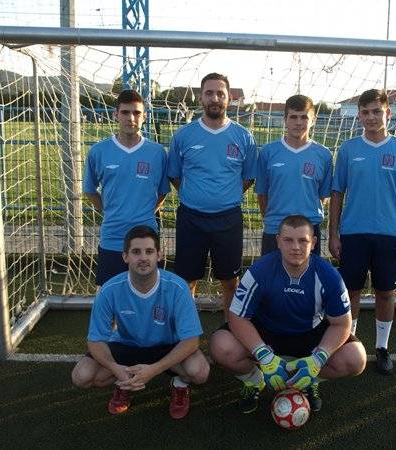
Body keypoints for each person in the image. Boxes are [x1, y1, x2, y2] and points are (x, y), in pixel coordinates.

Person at [209, 215, 366, 414]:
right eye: (288, 240)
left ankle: (309, 380)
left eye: (303, 241)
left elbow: (342, 323)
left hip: (309, 333)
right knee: (220, 346)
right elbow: (237, 316)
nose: (295, 247)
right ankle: (255, 380)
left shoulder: (329, 276)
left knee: (355, 359)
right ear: (278, 241)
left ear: (313, 243)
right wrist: (263, 354)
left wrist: (319, 358)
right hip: (267, 331)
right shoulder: (259, 271)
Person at [329, 89, 396, 375]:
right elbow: (337, 193)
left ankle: (382, 347)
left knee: (385, 293)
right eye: (365, 112)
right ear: (359, 115)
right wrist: (333, 234)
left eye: (376, 111)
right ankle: (349, 341)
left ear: (388, 113)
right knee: (351, 292)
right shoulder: (348, 149)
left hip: (389, 235)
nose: (371, 117)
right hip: (353, 234)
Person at [71, 225, 209, 419]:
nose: (143, 257)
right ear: (125, 257)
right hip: (127, 345)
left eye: (149, 251)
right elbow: (95, 340)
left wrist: (153, 370)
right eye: (136, 252)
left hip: (167, 346)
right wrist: (116, 369)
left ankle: (179, 385)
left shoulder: (178, 287)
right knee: (82, 376)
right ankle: (124, 383)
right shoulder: (110, 290)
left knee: (200, 372)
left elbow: (191, 341)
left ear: (159, 255)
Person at [168, 73, 257, 317]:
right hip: (191, 218)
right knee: (187, 281)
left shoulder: (244, 137)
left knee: (230, 281)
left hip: (228, 219)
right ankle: (187, 330)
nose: (215, 98)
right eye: (209, 93)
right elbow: (174, 175)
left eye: (220, 93)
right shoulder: (183, 135)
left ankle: (230, 328)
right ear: (201, 97)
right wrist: (195, 194)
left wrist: (225, 195)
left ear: (229, 97)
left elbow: (248, 177)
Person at [83, 89, 169, 286]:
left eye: (137, 113)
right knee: (108, 292)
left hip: (146, 238)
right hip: (113, 236)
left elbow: (163, 192)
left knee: (149, 291)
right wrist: (109, 211)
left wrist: (144, 212)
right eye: (125, 112)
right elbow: (89, 190)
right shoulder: (98, 151)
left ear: (144, 117)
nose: (131, 118)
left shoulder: (157, 153)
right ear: (116, 115)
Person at [255, 95, 332, 256]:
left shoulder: (324, 154)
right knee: (271, 271)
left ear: (313, 120)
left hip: (309, 231)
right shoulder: (268, 152)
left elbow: (323, 196)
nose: (298, 122)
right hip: (275, 229)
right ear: (285, 119)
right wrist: (273, 219)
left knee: (308, 272)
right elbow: (262, 194)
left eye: (304, 117)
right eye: (293, 117)